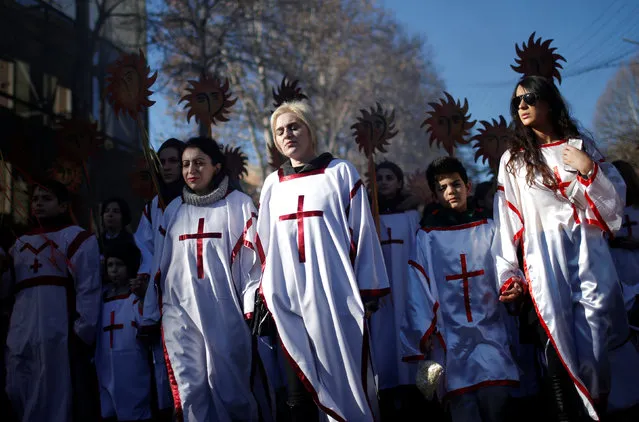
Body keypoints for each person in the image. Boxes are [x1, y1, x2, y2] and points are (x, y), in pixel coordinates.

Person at [493, 75, 627, 421]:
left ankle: (600, 412)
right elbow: (507, 222)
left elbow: (614, 209)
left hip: (588, 258)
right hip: (545, 262)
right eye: (516, 102)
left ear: (549, 103)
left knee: (596, 350)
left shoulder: (581, 148)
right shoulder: (514, 161)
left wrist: (588, 170)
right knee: (556, 353)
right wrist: (509, 272)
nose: (521, 106)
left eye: (529, 99)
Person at [256, 100, 390, 421]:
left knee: (344, 385)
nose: (287, 135)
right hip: (288, 301)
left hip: (335, 296)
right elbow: (265, 244)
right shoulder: (272, 184)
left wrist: (368, 288)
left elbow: (363, 232)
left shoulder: (339, 172)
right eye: (280, 131)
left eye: (294, 126)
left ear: (310, 130)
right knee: (297, 395)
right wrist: (264, 292)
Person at [154, 136, 269, 421]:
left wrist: (252, 303)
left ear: (216, 167)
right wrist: (150, 310)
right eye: (185, 164)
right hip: (180, 313)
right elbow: (161, 266)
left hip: (224, 312)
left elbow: (251, 262)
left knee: (230, 387)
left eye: (199, 163)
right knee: (190, 388)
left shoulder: (238, 205)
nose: (191, 170)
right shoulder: (173, 211)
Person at [402, 156, 519, 422]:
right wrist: (424, 331)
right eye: (442, 188)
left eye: (455, 184)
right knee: (463, 405)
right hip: (451, 338)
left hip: (491, 331)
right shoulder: (428, 236)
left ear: (468, 185)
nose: (450, 191)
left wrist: (511, 283)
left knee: (497, 399)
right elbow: (418, 284)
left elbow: (504, 262)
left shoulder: (489, 227)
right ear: (434, 195)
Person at [4, 179, 102, 422]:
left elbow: (88, 288)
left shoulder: (77, 238)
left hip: (57, 329)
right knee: (17, 386)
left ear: (63, 205)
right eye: (35, 199)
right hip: (21, 329)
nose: (38, 203)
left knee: (55, 394)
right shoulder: (18, 244)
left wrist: (82, 331)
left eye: (46, 199)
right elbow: (6, 290)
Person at [367, 160, 424, 420]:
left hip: (406, 286)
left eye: (390, 177)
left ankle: (412, 393)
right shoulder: (367, 216)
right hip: (380, 290)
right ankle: (387, 395)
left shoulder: (411, 215)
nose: (384, 182)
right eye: (379, 178)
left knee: (406, 334)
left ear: (400, 182)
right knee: (381, 338)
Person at [134, 138, 185, 418]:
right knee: (164, 373)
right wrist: (144, 277)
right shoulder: (153, 205)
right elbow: (146, 248)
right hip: (160, 293)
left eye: (172, 161)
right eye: (162, 161)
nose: (166, 167)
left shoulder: (194, 197)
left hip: (188, 290)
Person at [96, 240, 154, 421]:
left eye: (119, 264)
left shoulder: (134, 298)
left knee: (134, 408)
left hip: (132, 365)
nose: (114, 270)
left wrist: (143, 296)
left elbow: (146, 323)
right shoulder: (100, 299)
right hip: (105, 364)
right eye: (110, 265)